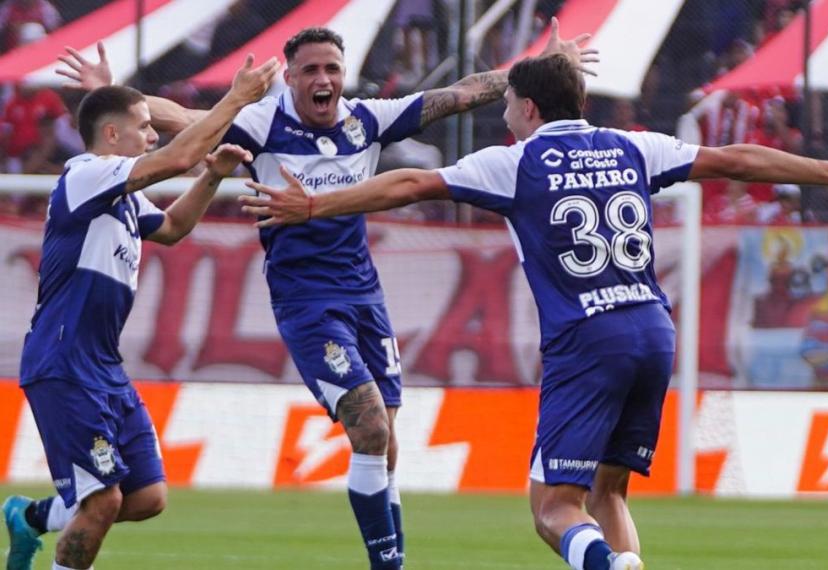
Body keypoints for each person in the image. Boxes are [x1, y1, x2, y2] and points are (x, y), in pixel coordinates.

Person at [235, 53, 828, 570]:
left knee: (553, 509)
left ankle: (611, 567)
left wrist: (318, 206)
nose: (504, 115)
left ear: (529, 109)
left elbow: (412, 185)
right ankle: (626, 563)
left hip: (588, 340)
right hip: (653, 330)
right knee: (609, 490)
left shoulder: (516, 161)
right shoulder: (633, 146)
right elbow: (736, 160)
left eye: (509, 105)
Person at [53, 20, 596, 570]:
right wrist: (111, 92)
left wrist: (537, 72)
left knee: (387, 444)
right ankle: (386, 565)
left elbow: (459, 94)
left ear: (344, 75)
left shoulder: (368, 120)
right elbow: (191, 121)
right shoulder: (264, 122)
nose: (323, 78)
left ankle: (393, 558)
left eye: (331, 68)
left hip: (364, 296)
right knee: (370, 427)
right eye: (309, 69)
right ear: (288, 77)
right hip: (305, 302)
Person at [2, 54, 278, 570]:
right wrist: (237, 99)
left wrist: (213, 177)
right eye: (145, 128)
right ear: (111, 135)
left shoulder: (123, 198)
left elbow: (172, 228)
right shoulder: (85, 174)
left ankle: (32, 517)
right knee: (103, 500)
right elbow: (175, 159)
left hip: (102, 366)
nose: (153, 136)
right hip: (64, 362)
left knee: (147, 497)